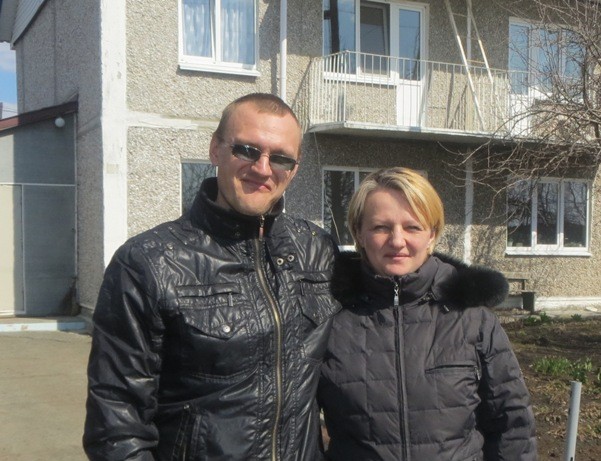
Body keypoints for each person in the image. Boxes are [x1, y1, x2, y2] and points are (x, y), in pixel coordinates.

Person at [83, 93, 341, 460]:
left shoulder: (317, 250)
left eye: (280, 157)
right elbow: (117, 423)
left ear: (294, 169)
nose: (263, 168)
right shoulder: (147, 262)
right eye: (247, 150)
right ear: (215, 150)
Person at [319, 167, 537, 460]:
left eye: (412, 227)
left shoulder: (472, 318)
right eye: (381, 227)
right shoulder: (329, 316)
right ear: (359, 233)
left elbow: (512, 426)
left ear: (432, 234)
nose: (397, 241)